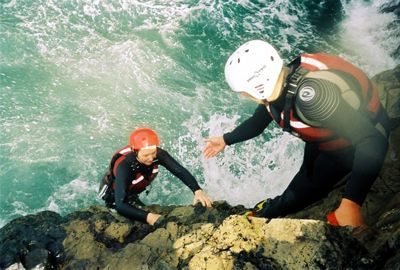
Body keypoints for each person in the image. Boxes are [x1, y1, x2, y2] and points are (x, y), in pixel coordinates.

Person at [203, 40, 390, 228]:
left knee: (301, 193)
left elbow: (372, 140)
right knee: (300, 185)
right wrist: (226, 140)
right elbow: (258, 122)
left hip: (348, 145)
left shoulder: (313, 100)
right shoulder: (283, 80)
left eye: (243, 92)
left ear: (257, 89)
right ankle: (271, 208)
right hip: (328, 138)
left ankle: (271, 210)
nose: (243, 95)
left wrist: (351, 204)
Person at [99, 127, 212, 226]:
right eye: (146, 155)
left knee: (141, 210)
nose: (151, 158)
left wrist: (197, 190)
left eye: (153, 153)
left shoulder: (157, 153)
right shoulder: (125, 166)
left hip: (132, 191)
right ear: (135, 151)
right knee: (129, 218)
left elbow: (179, 171)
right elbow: (120, 204)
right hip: (112, 193)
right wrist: (150, 218)